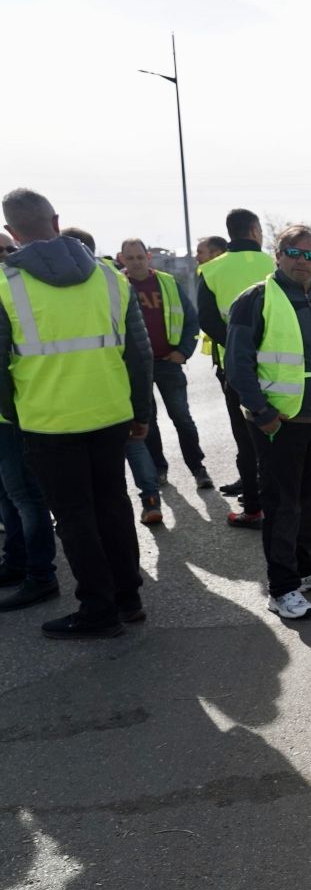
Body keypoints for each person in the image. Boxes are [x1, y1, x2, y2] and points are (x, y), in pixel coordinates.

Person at [0, 188, 152, 638]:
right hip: (110, 414)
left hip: (47, 422)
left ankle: (98, 610)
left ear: (12, 232)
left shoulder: (6, 285)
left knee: (74, 518)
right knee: (113, 506)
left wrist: (15, 414)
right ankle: (129, 599)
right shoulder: (110, 277)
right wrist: (139, 410)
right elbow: (139, 354)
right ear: (55, 220)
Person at [225, 225, 311, 620]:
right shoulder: (256, 299)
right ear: (277, 254)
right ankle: (281, 588)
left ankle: (307, 567)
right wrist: (262, 414)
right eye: (294, 253)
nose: (303, 261)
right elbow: (237, 364)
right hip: (281, 424)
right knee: (282, 507)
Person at [59, 229, 163, 525]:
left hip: (72, 404)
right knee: (134, 445)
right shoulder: (114, 282)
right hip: (119, 393)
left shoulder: (47, 289)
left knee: (99, 474)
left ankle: (99, 516)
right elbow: (139, 353)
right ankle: (150, 499)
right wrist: (141, 410)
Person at [199, 208, 275, 527]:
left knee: (245, 436)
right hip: (280, 363)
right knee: (293, 432)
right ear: (256, 231)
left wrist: (237, 348)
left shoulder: (211, 270)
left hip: (233, 366)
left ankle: (254, 508)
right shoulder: (276, 263)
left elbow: (207, 319)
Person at [0, 229, 61, 612]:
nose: (3, 256)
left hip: (14, 414)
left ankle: (41, 575)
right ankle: (17, 561)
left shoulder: (17, 291)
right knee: (7, 496)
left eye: (7, 249)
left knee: (25, 495)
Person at [118, 238, 211, 490]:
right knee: (148, 421)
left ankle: (198, 468)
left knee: (182, 417)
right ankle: (159, 468)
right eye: (130, 257)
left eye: (140, 257)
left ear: (148, 257)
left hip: (168, 362)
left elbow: (192, 320)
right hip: (135, 367)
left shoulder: (167, 282)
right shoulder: (115, 285)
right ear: (121, 258)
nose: (136, 262)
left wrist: (183, 351)